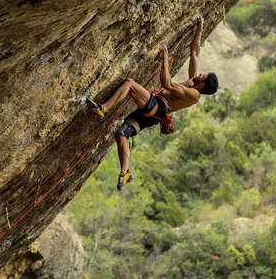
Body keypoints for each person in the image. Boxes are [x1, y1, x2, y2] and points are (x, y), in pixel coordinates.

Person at [87, 16, 219, 191]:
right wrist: (200, 28)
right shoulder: (193, 81)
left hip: (159, 106)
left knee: (129, 83)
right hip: (153, 116)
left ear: (202, 85)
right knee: (121, 135)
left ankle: (103, 108)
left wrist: (165, 60)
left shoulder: (194, 94)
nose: (200, 74)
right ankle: (124, 173)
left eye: (203, 76)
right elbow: (194, 52)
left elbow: (168, 84)